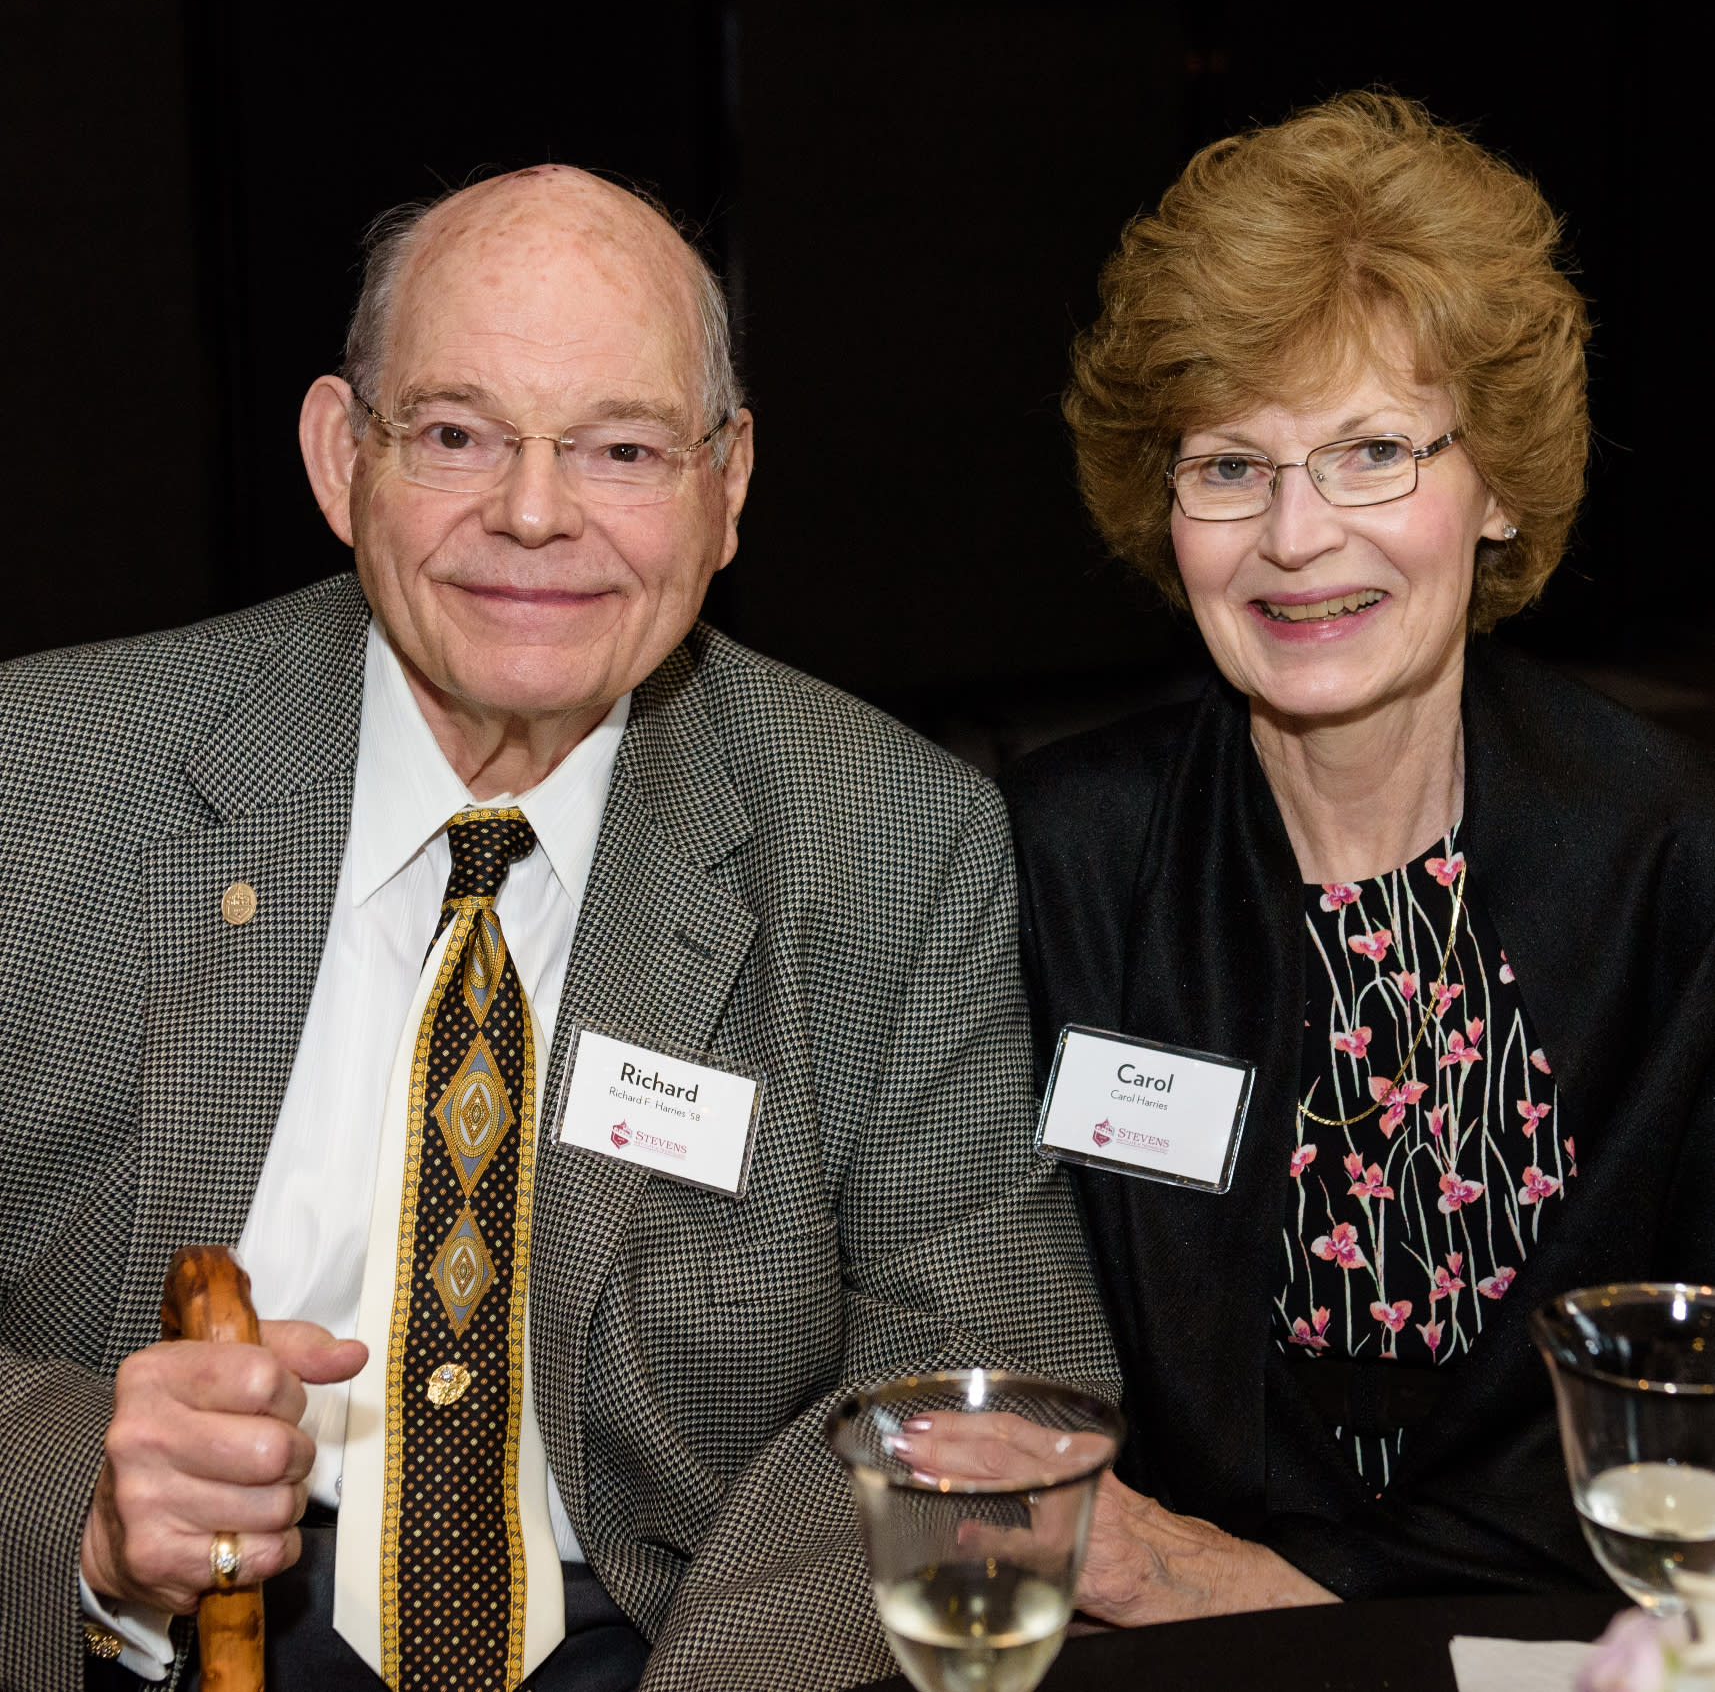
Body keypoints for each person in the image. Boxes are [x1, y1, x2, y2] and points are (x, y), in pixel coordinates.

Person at [0, 166, 1117, 1692]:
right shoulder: (45, 778)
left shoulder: (888, 844)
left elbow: (986, 1381)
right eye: (456, 435)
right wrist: (78, 1507)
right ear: (342, 456)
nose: (533, 515)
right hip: (158, 1643)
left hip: (674, 1643)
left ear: (727, 486)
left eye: (623, 448)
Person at [991, 94, 1715, 1618]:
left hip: (1576, 1631)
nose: (1299, 537)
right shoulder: (1055, 863)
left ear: (1498, 485)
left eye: (1372, 452)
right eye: (1231, 468)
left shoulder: (1671, 863)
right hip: (1157, 1646)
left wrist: (1279, 1590)